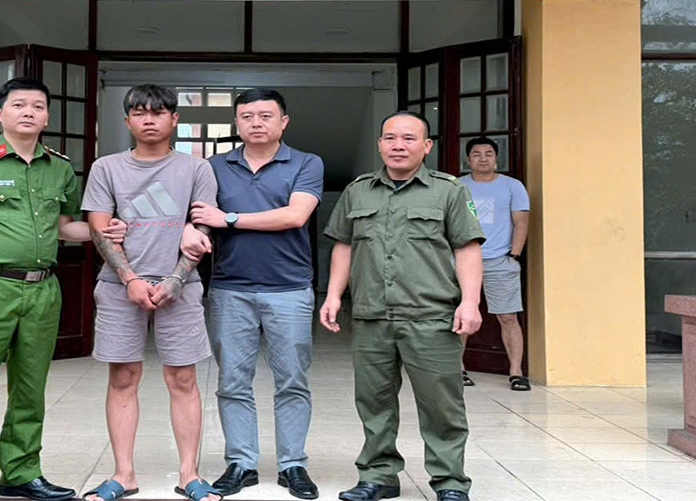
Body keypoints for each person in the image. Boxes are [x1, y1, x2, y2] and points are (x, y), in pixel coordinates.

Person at [0, 77, 126, 501]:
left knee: (30, 387)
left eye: (38, 106)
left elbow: (65, 227)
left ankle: (21, 472)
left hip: (41, 291)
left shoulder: (59, 167)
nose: (29, 112)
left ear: (47, 117)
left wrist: (103, 230)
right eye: (19, 104)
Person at [319, 111, 485, 501]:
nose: (398, 146)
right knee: (374, 401)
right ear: (379, 144)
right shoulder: (358, 191)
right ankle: (378, 476)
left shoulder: (449, 190)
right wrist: (333, 294)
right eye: (390, 138)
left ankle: (449, 481)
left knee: (441, 404)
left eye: (409, 139)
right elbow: (344, 245)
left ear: (426, 146)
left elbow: (467, 249)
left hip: (431, 316)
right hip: (372, 315)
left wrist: (470, 302)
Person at [80, 84, 222, 501]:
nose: (148, 120)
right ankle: (123, 474)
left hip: (181, 286)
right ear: (127, 121)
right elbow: (99, 229)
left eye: (158, 113)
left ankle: (189, 473)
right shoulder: (106, 168)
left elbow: (202, 228)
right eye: (139, 113)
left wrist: (176, 279)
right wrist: (130, 279)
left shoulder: (196, 169)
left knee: (183, 378)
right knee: (123, 377)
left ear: (174, 119)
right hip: (118, 287)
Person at [181, 88, 324, 500]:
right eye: (247, 116)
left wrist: (227, 218)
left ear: (284, 121)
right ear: (237, 122)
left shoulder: (306, 163)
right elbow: (196, 215)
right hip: (231, 287)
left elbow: (295, 215)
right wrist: (191, 227)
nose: (256, 123)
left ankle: (292, 465)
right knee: (232, 381)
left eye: (265, 115)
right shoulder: (214, 166)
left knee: (292, 380)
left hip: (289, 288)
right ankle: (241, 463)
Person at [458, 137, 531, 391]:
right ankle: (458, 368)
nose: (483, 158)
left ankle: (516, 372)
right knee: (460, 314)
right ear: (468, 159)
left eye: (488, 153)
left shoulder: (512, 186)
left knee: (508, 316)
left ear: (496, 158)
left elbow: (521, 222)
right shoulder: (457, 186)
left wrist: (514, 255)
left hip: (500, 260)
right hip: (463, 260)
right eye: (476, 154)